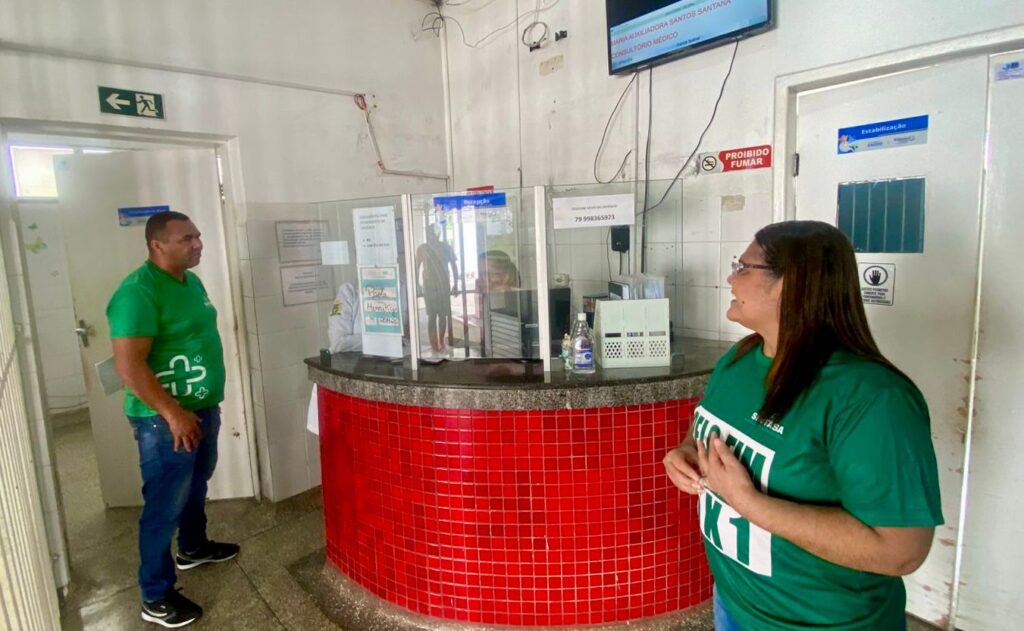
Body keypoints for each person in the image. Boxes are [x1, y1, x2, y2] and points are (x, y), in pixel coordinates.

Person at [662, 220, 942, 631]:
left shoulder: (870, 397)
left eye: (742, 267)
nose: (730, 278)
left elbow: (901, 551)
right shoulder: (741, 358)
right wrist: (686, 450)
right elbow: (707, 422)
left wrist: (749, 503)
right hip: (735, 603)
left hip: (822, 623)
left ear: (789, 284)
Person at [107, 211, 239, 628]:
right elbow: (129, 366)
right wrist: (172, 413)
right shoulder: (137, 292)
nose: (198, 244)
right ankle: (155, 594)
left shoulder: (190, 282)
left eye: (198, 236)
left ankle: (193, 547)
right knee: (164, 506)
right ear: (157, 245)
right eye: (186, 239)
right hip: (163, 421)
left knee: (196, 484)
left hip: (199, 409)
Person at [415, 225, 459, 353]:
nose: (430, 236)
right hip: (429, 287)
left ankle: (441, 341)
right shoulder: (422, 249)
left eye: (432, 233)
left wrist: (456, 284)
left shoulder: (446, 247)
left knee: (443, 315)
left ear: (437, 234)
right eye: (428, 233)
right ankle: (434, 343)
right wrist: (417, 285)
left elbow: (454, 266)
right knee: (432, 315)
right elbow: (416, 267)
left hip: (443, 285)